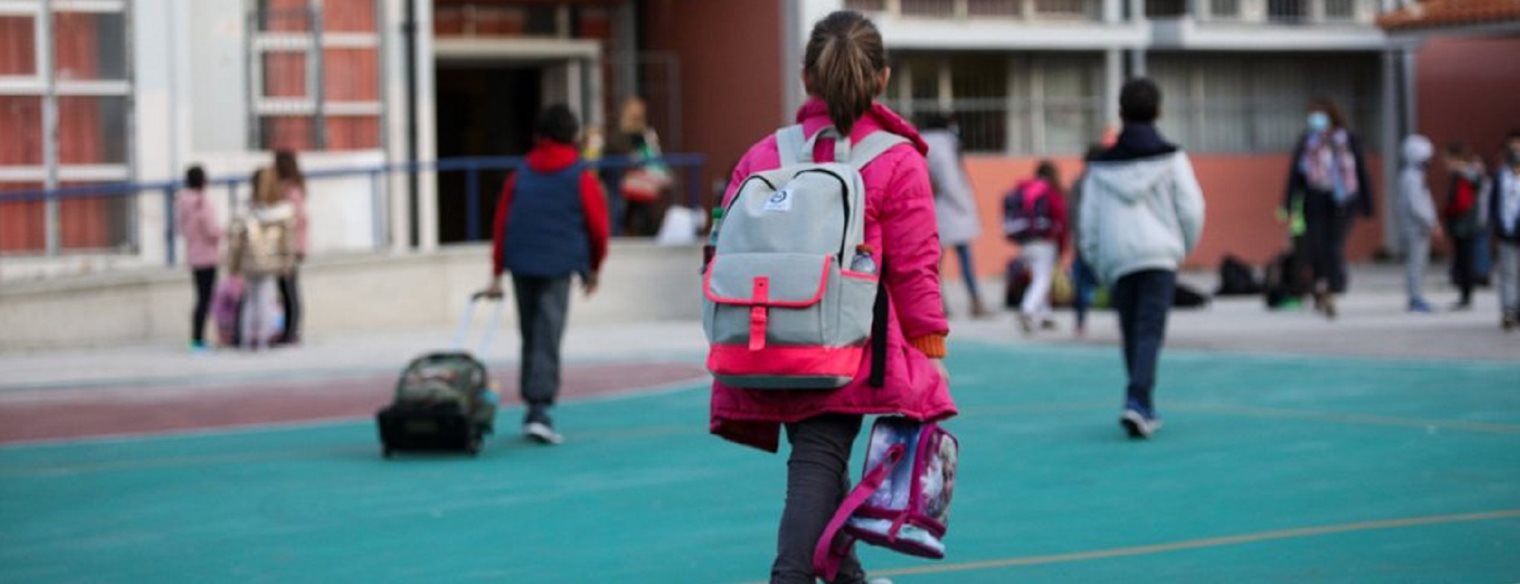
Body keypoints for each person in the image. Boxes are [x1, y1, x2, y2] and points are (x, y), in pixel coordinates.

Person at [709, 11, 955, 584]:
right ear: (883, 78)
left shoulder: (764, 155)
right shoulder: (896, 159)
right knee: (819, 459)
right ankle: (789, 576)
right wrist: (930, 347)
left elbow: (721, 246)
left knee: (822, 455)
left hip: (766, 336)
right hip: (846, 344)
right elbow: (915, 267)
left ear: (806, 77)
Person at [1079, 78, 1205, 440]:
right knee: (1149, 330)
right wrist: (1181, 247)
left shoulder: (1100, 167)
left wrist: (1098, 261)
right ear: (1159, 110)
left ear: (1121, 112)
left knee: (1132, 331)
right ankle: (1138, 400)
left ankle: (1141, 402)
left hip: (1118, 258)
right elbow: (1192, 208)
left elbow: (1088, 222)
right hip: (1160, 255)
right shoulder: (1173, 158)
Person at [483, 104, 610, 445]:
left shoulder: (521, 173)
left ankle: (533, 404)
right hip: (558, 265)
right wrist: (594, 267)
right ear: (573, 135)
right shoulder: (580, 176)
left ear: (539, 134)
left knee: (530, 335)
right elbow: (598, 227)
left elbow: (502, 223)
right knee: (547, 335)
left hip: (521, 262)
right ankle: (539, 411)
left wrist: (496, 270)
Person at [1283, 97, 1374, 319]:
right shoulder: (1308, 141)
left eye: (1320, 114)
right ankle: (1321, 285)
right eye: (1313, 115)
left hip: (1343, 199)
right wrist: (1288, 203)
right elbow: (1296, 175)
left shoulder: (1347, 139)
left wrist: (1367, 203)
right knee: (1316, 245)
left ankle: (1334, 284)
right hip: (1315, 198)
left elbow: (1360, 171)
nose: (1316, 119)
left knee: (1334, 244)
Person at [921, 112, 987, 318]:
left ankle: (940, 304)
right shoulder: (943, 146)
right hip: (950, 211)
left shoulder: (924, 144)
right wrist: (964, 205)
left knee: (935, 262)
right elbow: (950, 181)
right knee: (964, 259)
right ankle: (975, 302)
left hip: (933, 209)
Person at [227, 168, 296, 352]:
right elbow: (287, 241)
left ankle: (246, 340)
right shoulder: (282, 211)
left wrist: (233, 264)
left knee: (250, 300)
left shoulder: (245, 210)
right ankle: (263, 341)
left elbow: (235, 239)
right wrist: (287, 262)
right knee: (266, 300)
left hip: (249, 262)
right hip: (270, 262)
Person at [1005, 160, 1068, 334]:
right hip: (1044, 241)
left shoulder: (1026, 189)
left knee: (1039, 277)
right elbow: (1061, 218)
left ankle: (1045, 315)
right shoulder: (1050, 192)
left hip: (1025, 240)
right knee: (1043, 278)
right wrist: (1062, 245)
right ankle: (1027, 310)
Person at [176, 165, 220, 352]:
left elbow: (181, 228)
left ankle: (197, 339)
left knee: (200, 297)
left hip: (193, 255)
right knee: (205, 299)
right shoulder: (201, 202)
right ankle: (198, 339)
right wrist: (222, 233)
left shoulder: (182, 202)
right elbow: (211, 230)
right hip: (207, 256)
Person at [609, 97, 667, 236]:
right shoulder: (617, 137)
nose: (637, 119)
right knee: (624, 212)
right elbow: (613, 158)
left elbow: (654, 155)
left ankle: (645, 232)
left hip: (643, 182)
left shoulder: (646, 135)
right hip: (622, 182)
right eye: (634, 115)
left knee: (643, 212)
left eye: (640, 116)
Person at [1070, 143, 1110, 336]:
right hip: (1099, 242)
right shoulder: (1106, 184)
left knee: (1082, 284)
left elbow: (1072, 214)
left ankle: (1080, 322)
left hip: (1085, 242)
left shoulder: (1079, 183)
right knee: (1112, 282)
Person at [1397, 135, 1440, 313]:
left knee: (1418, 264)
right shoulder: (1412, 177)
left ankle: (1416, 295)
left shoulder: (1413, 175)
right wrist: (1431, 222)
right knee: (1416, 264)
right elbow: (1417, 205)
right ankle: (1415, 298)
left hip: (1416, 226)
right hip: (1415, 228)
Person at [1443, 142, 1487, 311]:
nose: (1446, 163)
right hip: (1461, 222)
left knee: (1466, 258)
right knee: (1462, 258)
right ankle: (1464, 293)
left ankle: (1467, 294)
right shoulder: (1462, 175)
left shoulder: (1467, 174)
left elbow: (1472, 194)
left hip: (1466, 223)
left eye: (1448, 159)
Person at [272, 150, 307, 345]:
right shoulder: (284, 189)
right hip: (282, 247)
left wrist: (300, 247)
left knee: (289, 289)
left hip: (290, 247)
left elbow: (298, 221)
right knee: (284, 289)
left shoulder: (291, 191)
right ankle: (287, 329)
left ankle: (291, 331)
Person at [1490, 130, 1520, 331]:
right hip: (1506, 231)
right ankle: (1508, 309)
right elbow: (1494, 203)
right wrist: (1495, 225)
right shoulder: (1501, 176)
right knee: (1508, 272)